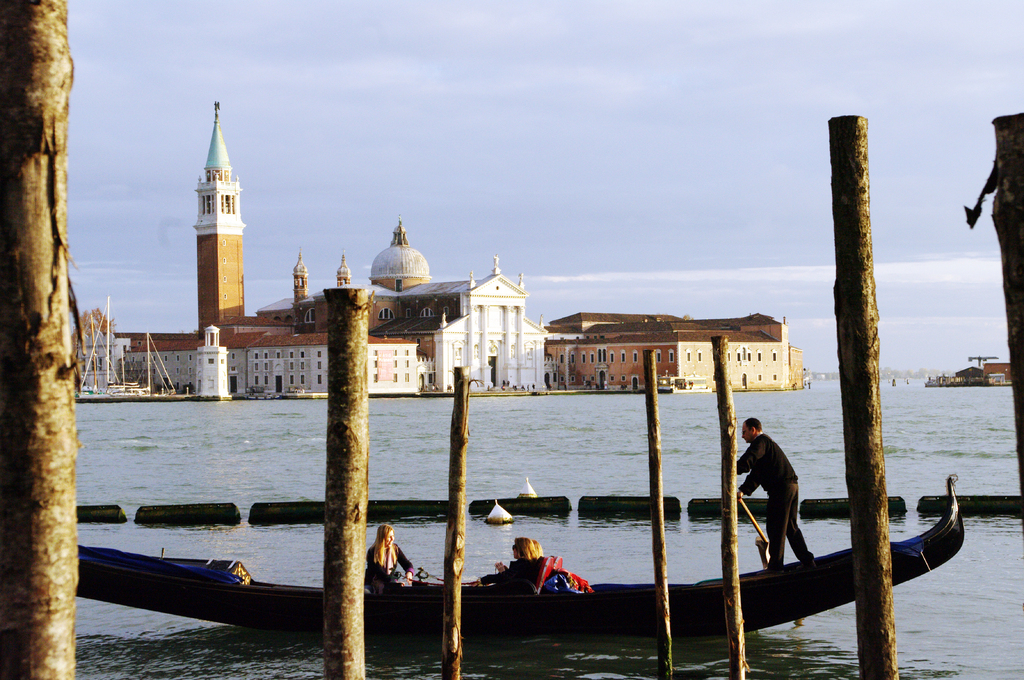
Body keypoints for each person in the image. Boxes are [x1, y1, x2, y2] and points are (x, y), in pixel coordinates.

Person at [736, 418, 816, 571]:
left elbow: (748, 460)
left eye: (744, 432)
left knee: (775, 528)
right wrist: (743, 491)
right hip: (791, 487)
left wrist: (732, 467)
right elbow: (757, 474)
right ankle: (808, 562)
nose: (742, 436)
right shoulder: (766, 447)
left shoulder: (761, 442)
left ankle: (775, 567)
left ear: (753, 430)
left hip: (781, 489)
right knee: (790, 528)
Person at [365, 524, 414, 593]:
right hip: (372, 582)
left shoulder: (395, 549)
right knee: (365, 592)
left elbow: (406, 564)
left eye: (393, 536)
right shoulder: (373, 551)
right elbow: (380, 572)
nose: (392, 539)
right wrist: (394, 583)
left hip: (390, 581)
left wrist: (409, 572)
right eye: (389, 537)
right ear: (382, 538)